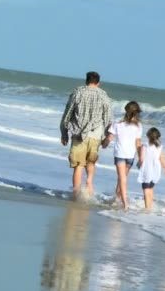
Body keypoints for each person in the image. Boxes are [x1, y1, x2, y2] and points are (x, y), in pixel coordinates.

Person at [60, 71, 112, 199]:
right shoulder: (103, 95)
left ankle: (77, 193)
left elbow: (68, 113)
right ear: (98, 83)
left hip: (78, 134)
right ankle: (89, 181)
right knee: (91, 162)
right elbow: (108, 117)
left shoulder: (78, 92)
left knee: (78, 165)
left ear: (86, 81)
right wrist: (107, 136)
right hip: (96, 133)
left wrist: (64, 132)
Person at [102, 101, 143, 210]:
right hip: (130, 155)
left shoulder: (117, 123)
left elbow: (109, 138)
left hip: (120, 154)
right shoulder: (138, 126)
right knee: (122, 178)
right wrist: (140, 158)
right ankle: (117, 199)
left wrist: (104, 144)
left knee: (122, 179)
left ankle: (125, 204)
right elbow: (138, 143)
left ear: (126, 110)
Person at [137, 127, 165, 210]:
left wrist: (138, 165)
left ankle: (147, 208)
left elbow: (141, 159)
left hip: (147, 169)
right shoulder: (159, 147)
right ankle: (150, 206)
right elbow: (162, 158)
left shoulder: (144, 146)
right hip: (156, 169)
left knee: (146, 189)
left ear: (148, 136)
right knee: (151, 188)